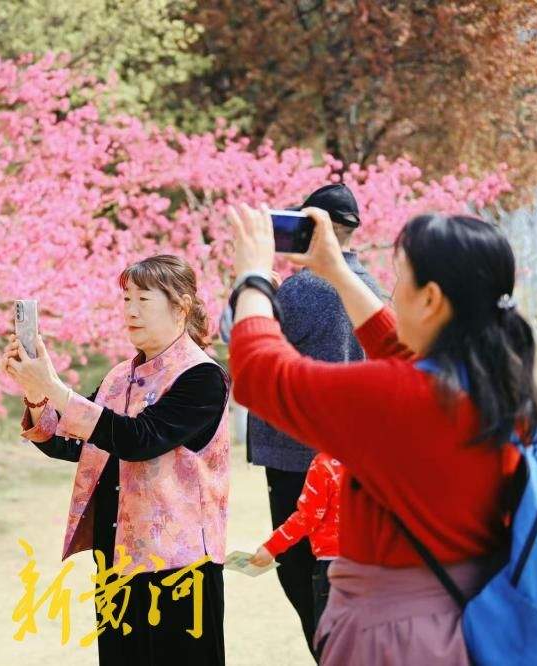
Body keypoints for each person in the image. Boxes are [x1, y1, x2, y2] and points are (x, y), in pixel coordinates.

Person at [227, 204, 537, 663]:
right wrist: (336, 271)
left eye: (401, 280)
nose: (392, 292)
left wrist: (252, 278)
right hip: (463, 624)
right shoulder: (493, 382)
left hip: (399, 639)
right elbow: (396, 347)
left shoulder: (397, 397)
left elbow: (259, 374)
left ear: (431, 299)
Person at [2, 255, 230, 665]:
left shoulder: (202, 376)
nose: (131, 310)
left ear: (180, 306)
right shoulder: (119, 376)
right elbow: (69, 442)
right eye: (126, 299)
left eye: (144, 298)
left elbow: (138, 438)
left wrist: (53, 386)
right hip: (116, 554)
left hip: (178, 564)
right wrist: (36, 392)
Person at [219, 183, 383, 656]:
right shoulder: (370, 288)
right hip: (357, 456)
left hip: (298, 455)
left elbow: (241, 340)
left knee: (302, 577)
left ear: (312, 230)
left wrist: (253, 279)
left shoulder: (301, 290)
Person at [249, 453, 343, 630]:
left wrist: (271, 548)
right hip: (372, 569)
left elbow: (307, 517)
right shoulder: (376, 465)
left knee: (333, 644)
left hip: (333, 569)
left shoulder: (324, 464)